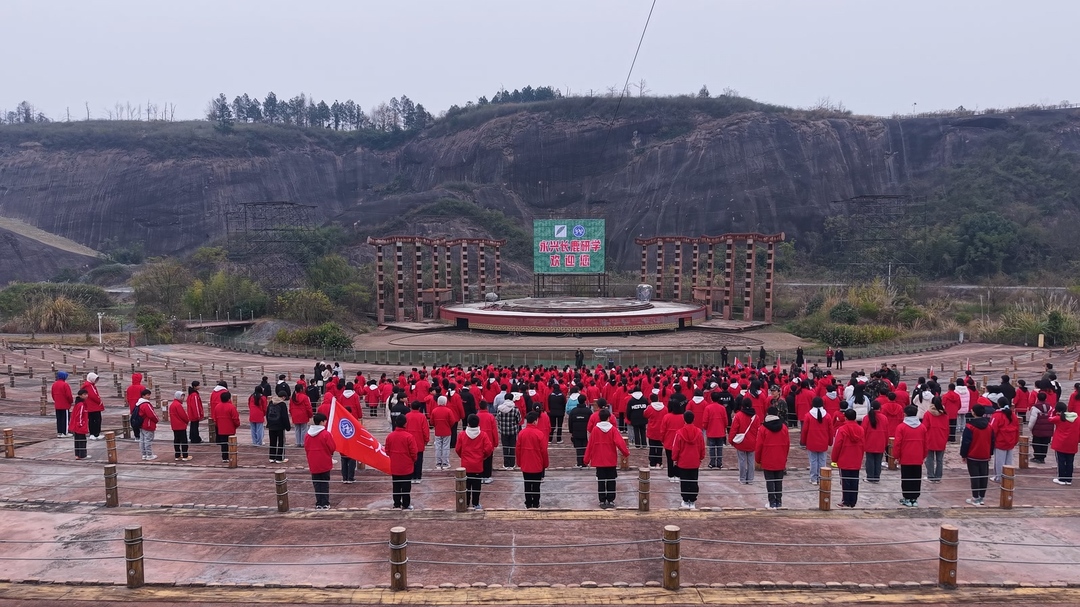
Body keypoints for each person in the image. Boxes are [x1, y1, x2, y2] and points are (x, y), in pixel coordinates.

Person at [584, 409, 630, 509]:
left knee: (601, 481)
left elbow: (590, 445)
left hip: (599, 459)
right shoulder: (613, 429)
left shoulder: (595, 430)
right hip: (611, 459)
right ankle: (610, 499)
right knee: (611, 480)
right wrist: (626, 453)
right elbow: (620, 442)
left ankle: (602, 500)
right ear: (609, 418)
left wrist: (586, 459)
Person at [893, 405, 928, 507]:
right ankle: (914, 498)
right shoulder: (922, 427)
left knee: (906, 478)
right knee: (916, 478)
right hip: (918, 456)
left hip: (906, 457)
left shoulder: (901, 427)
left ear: (905, 414)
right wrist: (924, 455)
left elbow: (897, 443)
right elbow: (926, 443)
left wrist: (896, 456)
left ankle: (907, 497)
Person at [755, 406, 790, 509]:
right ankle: (779, 502)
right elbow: (787, 444)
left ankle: (771, 503)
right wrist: (785, 457)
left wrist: (758, 459)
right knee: (779, 481)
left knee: (769, 481)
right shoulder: (784, 428)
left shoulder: (763, 428)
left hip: (767, 458)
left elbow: (759, 446)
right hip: (780, 458)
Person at [456, 414, 494, 510]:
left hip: (465, 465)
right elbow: (489, 449)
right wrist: (483, 456)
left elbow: (457, 449)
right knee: (477, 486)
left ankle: (466, 503)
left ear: (468, 423)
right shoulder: (483, 435)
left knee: (466, 486)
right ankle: (476, 504)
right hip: (478, 464)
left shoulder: (462, 434)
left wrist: (463, 456)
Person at [831, 408, 865, 508]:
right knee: (855, 480)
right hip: (856, 457)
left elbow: (837, 445)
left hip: (844, 458)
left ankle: (846, 500)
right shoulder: (861, 429)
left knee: (845, 481)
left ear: (845, 417)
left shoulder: (841, 430)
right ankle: (853, 501)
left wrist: (834, 458)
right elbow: (863, 445)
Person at [960, 404, 993, 506]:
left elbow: (966, 442)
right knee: (984, 476)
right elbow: (992, 441)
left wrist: (963, 454)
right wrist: (990, 452)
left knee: (974, 476)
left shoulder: (970, 426)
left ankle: (975, 497)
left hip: (973, 454)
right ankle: (981, 497)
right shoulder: (989, 426)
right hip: (985, 454)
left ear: (973, 412)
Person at [672, 410, 706, 509]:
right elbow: (702, 447)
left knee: (684, 481)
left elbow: (676, 448)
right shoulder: (699, 432)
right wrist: (701, 457)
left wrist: (674, 458)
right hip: (695, 461)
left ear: (684, 419)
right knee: (694, 480)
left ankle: (685, 500)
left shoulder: (679, 433)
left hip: (683, 461)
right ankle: (692, 500)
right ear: (693, 419)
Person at [304, 413, 337, 510]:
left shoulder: (307, 435)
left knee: (317, 484)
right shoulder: (326, 434)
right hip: (324, 461)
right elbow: (332, 447)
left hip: (313, 462)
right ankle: (325, 503)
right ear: (322, 422)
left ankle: (319, 503)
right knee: (324, 483)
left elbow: (306, 447)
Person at [517, 411, 550, 509]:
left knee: (527, 484)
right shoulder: (539, 434)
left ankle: (528, 503)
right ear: (535, 421)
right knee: (536, 485)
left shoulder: (522, 433)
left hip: (526, 463)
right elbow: (544, 451)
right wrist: (545, 463)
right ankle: (536, 503)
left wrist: (519, 462)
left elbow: (518, 450)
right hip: (537, 464)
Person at [385, 415, 419, 510]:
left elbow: (387, 450)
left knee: (396, 486)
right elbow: (413, 451)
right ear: (405, 423)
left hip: (395, 466)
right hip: (407, 466)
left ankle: (396, 504)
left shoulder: (390, 436)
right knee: (406, 487)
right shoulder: (409, 436)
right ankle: (406, 504)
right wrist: (413, 460)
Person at [801, 397, 833, 485]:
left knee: (813, 461)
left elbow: (805, 430)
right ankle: (822, 477)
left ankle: (813, 478)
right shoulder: (827, 416)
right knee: (822, 461)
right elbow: (831, 430)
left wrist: (803, 441)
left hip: (811, 441)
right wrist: (830, 441)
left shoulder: (808, 415)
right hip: (823, 441)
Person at [1049, 403, 1079, 485]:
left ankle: (1061, 479)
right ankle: (1068, 479)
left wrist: (1054, 411)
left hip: (1060, 443)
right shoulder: (1077, 418)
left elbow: (1050, 418)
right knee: (1070, 462)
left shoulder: (1059, 418)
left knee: (1061, 461)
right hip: (1072, 443)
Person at [989, 401, 1019, 483]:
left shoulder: (997, 415)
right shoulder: (1013, 415)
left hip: (1000, 440)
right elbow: (1017, 428)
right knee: (1008, 460)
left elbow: (992, 429)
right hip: (1011, 440)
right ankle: (1008, 476)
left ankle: (998, 477)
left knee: (999, 460)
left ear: (998, 404)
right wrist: (1016, 440)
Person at [729, 399, 758, 484]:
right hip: (752, 441)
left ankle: (742, 478)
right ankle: (750, 479)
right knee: (751, 461)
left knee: (742, 461)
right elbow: (757, 430)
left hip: (741, 441)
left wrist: (731, 440)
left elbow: (734, 429)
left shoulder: (738, 415)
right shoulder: (756, 417)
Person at [922, 398, 949, 482]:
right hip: (941, 438)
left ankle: (930, 476)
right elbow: (947, 428)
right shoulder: (945, 414)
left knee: (930, 458)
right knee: (939, 460)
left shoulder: (928, 414)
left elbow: (924, 427)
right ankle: (938, 477)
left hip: (930, 438)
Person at [861, 402, 887, 483]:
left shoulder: (866, 418)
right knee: (878, 461)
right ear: (880, 407)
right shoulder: (884, 418)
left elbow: (863, 431)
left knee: (870, 460)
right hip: (881, 441)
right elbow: (887, 432)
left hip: (869, 441)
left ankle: (870, 477)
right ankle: (876, 477)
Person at [405, 401, 430, 483]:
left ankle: (411, 476)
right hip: (419, 440)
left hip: (408, 441)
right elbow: (425, 430)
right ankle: (418, 477)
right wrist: (426, 440)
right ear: (419, 408)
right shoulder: (422, 417)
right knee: (419, 459)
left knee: (410, 459)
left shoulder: (407, 416)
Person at [212, 390, 240, 463]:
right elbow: (235, 418)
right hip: (230, 428)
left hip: (221, 429)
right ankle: (231, 457)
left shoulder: (217, 406)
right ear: (228, 398)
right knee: (231, 444)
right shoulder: (231, 407)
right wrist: (237, 425)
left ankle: (224, 457)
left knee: (223, 444)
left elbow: (214, 418)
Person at [1027, 392, 1055, 464]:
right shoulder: (1050, 407)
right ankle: (1042, 457)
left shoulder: (1035, 407)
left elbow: (1033, 419)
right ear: (1046, 398)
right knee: (1045, 444)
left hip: (1038, 429)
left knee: (1036, 443)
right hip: (1048, 429)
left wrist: (1030, 428)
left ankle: (1037, 457)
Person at [703, 392, 729, 469]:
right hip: (720, 431)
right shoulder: (722, 408)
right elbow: (725, 420)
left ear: (711, 398)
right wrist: (724, 427)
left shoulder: (708, 408)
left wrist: (706, 427)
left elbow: (705, 421)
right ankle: (719, 462)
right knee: (719, 448)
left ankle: (712, 462)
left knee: (712, 448)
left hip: (711, 431)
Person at [266, 385, 291, 464]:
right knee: (281, 442)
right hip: (280, 426)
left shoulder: (271, 402)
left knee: (272, 441)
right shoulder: (282, 404)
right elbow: (284, 416)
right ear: (283, 397)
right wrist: (288, 427)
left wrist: (268, 423)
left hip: (271, 425)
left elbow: (267, 414)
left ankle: (271, 457)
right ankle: (279, 458)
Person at [430, 395, 457, 469]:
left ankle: (438, 462)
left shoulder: (434, 411)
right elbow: (452, 421)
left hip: (438, 431)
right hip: (447, 431)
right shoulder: (448, 410)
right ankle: (445, 463)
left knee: (438, 447)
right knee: (446, 447)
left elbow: (431, 422)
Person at [496, 393, 522, 469]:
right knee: (512, 447)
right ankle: (512, 463)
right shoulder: (515, 409)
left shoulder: (500, 408)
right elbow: (519, 419)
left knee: (505, 447)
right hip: (513, 430)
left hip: (503, 430)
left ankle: (506, 464)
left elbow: (498, 418)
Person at [134, 388, 159, 461]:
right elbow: (152, 415)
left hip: (141, 424)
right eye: (148, 395)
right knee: (148, 440)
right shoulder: (146, 404)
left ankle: (144, 454)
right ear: (143, 396)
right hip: (148, 424)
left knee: (142, 440)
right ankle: (149, 454)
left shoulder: (138, 404)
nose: (149, 397)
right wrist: (156, 420)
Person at [477, 401, 499, 483]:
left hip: (478, 441)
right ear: (486, 407)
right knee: (488, 459)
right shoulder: (490, 417)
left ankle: (480, 475)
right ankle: (487, 476)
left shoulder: (477, 416)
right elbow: (494, 430)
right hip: (489, 441)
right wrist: (496, 442)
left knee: (479, 459)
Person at [567, 395, 591, 467]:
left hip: (576, 432)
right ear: (585, 401)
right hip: (585, 433)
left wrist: (571, 431)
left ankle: (579, 462)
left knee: (578, 449)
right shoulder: (588, 411)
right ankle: (585, 462)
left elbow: (570, 422)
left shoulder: (573, 411)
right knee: (585, 448)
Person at [168, 390, 191, 461]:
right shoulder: (178, 405)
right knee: (184, 441)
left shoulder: (172, 405)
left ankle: (177, 455)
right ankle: (185, 455)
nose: (183, 398)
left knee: (176, 441)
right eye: (182, 396)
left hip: (174, 426)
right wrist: (187, 420)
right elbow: (183, 415)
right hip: (180, 425)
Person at [82, 372, 104, 440]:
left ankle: (94, 433)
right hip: (93, 406)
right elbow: (93, 395)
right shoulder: (89, 386)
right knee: (96, 420)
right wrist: (99, 401)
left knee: (92, 420)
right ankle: (95, 433)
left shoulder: (88, 385)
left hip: (91, 406)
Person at [51, 371, 73, 438]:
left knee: (59, 419)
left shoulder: (54, 384)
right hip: (65, 405)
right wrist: (70, 401)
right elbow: (69, 395)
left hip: (57, 404)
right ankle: (65, 432)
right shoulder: (65, 385)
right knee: (65, 419)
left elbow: (52, 394)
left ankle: (59, 432)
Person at [69, 389, 90, 460]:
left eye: (86, 394)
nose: (86, 396)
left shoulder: (78, 403)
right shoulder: (81, 405)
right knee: (82, 440)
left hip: (76, 425)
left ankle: (77, 454)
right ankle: (82, 455)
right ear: (80, 395)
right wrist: (81, 424)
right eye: (84, 394)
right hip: (79, 426)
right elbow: (79, 415)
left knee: (77, 440)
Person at [126, 373, 145, 439]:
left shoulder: (129, 388)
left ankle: (136, 436)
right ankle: (141, 435)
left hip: (132, 407)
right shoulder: (142, 387)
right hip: (141, 407)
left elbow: (127, 398)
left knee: (134, 421)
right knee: (142, 422)